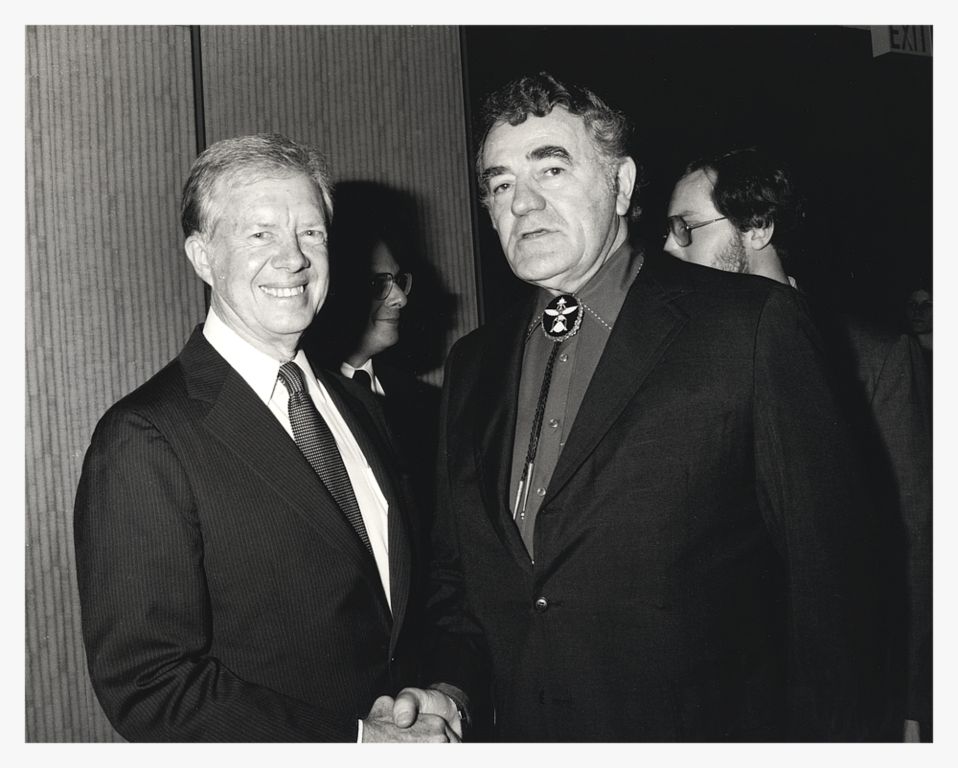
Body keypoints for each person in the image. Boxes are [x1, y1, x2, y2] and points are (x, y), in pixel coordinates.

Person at [415, 73, 873, 742]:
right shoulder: (472, 365)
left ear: (623, 185)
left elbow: (835, 598)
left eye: (551, 168)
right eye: (501, 184)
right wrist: (448, 690)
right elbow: (461, 587)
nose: (523, 203)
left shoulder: (749, 328)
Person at [73, 134, 460, 742]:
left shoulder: (365, 407)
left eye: (311, 233)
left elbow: (420, 598)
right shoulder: (145, 436)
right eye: (260, 234)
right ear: (202, 256)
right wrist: (357, 743)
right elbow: (148, 685)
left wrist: (442, 691)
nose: (294, 259)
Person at [663, 146, 932, 741]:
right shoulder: (681, 369)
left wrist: (918, 704)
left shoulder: (876, 359)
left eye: (687, 229)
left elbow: (918, 544)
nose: (669, 248)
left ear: (758, 228)